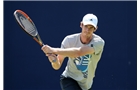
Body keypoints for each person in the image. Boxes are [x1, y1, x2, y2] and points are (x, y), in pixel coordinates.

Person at [41, 13, 105, 90]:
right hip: (69, 78)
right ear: (81, 25)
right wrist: (54, 60)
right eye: (86, 26)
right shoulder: (69, 40)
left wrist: (53, 50)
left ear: (95, 29)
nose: (87, 30)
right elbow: (57, 66)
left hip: (86, 86)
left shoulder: (98, 42)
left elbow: (79, 52)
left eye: (91, 28)